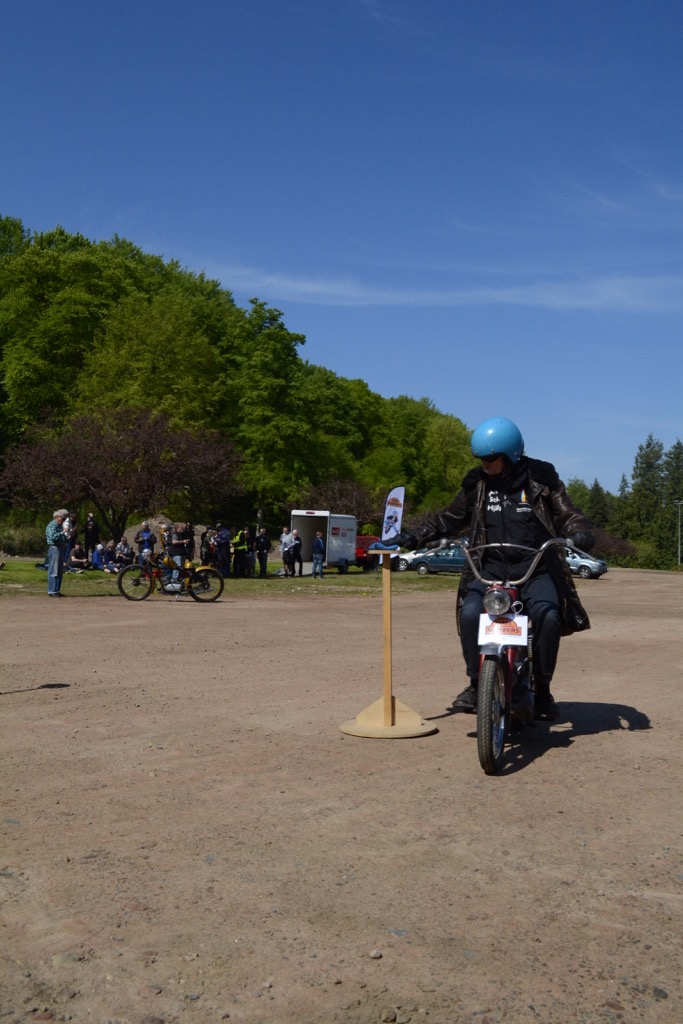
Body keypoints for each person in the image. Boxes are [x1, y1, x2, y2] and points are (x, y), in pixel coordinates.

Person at [395, 417, 593, 720]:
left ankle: (542, 689)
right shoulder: (477, 484)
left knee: (549, 616)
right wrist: (414, 536)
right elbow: (447, 519)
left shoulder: (541, 478)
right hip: (489, 570)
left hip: (535, 568)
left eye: (490, 458)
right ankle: (476, 684)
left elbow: (567, 512)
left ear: (511, 454)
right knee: (470, 613)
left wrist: (578, 531)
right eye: (481, 459)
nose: (484, 464)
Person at [45, 508, 68, 596]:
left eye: (65, 519)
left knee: (59, 571)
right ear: (57, 517)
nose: (63, 521)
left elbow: (63, 539)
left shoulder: (59, 526)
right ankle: (52, 590)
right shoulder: (52, 525)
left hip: (61, 548)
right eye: (63, 518)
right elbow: (53, 537)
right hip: (54, 549)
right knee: (53, 570)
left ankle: (57, 590)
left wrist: (68, 536)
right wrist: (63, 532)